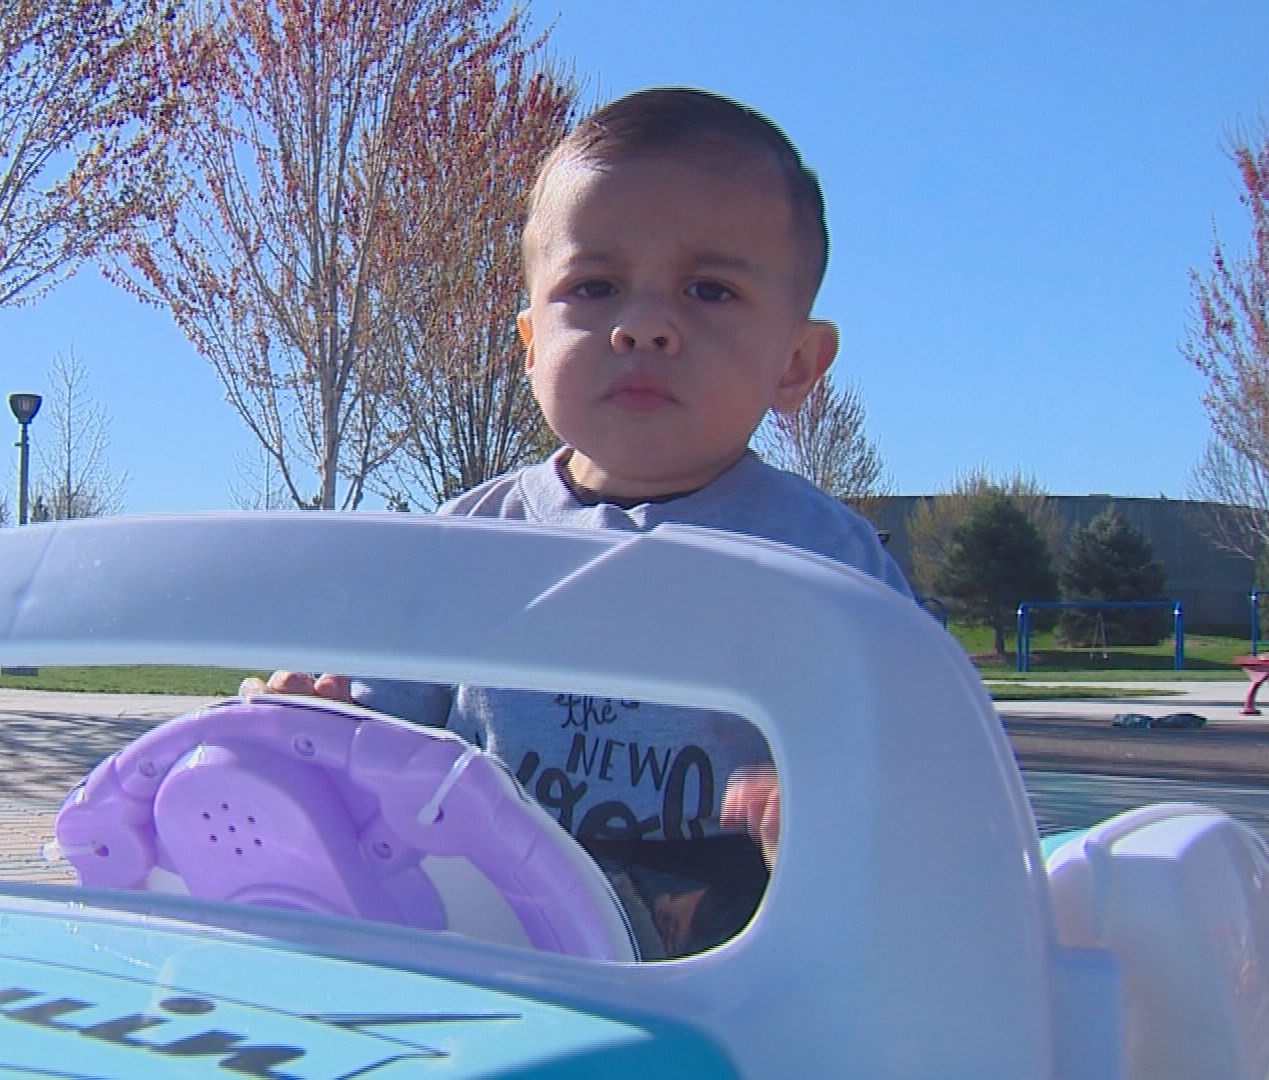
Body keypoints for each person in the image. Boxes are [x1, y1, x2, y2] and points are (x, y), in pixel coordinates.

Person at [247, 87, 915, 957]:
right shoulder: (466, 542)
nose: (642, 327)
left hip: (725, 954)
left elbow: (927, 758)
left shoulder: (823, 557)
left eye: (709, 290)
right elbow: (380, 738)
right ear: (529, 345)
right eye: (594, 287)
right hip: (487, 928)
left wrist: (846, 806)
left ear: (796, 362)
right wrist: (316, 726)